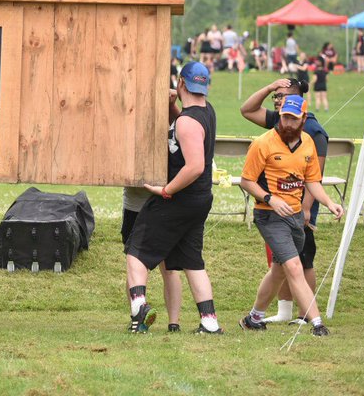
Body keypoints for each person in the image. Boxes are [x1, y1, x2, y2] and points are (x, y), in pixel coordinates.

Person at [124, 61, 222, 335]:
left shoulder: (187, 122)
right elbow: (183, 130)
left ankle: (139, 308)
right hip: (200, 199)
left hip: (179, 199)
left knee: (136, 252)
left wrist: (167, 190)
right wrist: (171, 107)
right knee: (193, 262)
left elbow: (195, 166)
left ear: (180, 83)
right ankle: (209, 322)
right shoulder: (205, 111)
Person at [238, 94, 344, 336]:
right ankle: (317, 324)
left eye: (293, 119)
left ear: (303, 119)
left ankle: (254, 318)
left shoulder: (308, 143)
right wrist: (270, 199)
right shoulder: (263, 143)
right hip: (269, 216)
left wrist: (329, 203)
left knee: (278, 271)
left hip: (295, 216)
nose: (287, 123)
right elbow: (246, 181)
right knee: (295, 267)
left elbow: (312, 181)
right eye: (285, 117)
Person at [122, 186, 185, 332]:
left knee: (140, 265)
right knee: (163, 269)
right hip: (140, 205)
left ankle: (140, 317)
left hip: (157, 206)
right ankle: (171, 323)